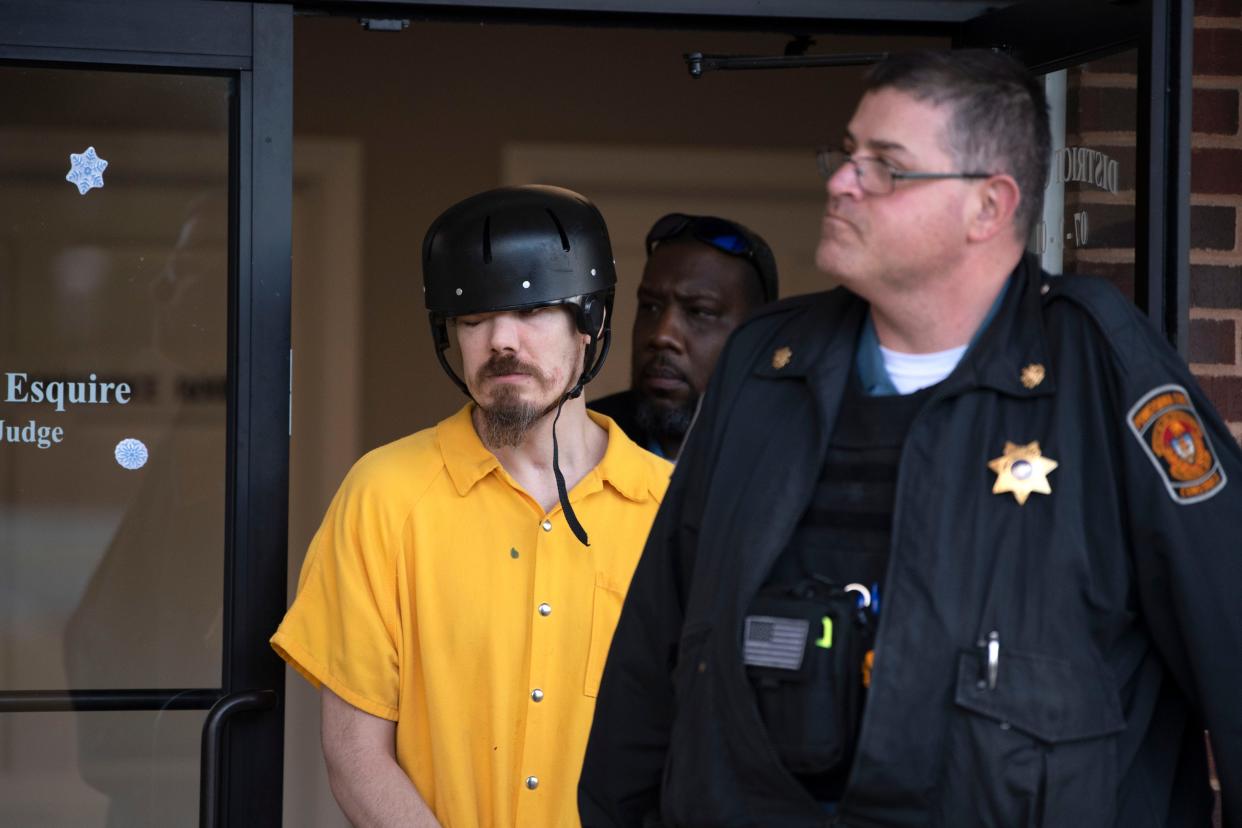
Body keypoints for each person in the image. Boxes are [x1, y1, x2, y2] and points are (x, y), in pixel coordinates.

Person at [579, 49, 1242, 828]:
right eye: (846, 155)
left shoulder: (1102, 372)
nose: (840, 182)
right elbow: (653, 662)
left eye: (886, 167)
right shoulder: (765, 364)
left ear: (988, 207)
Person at [272, 185, 672, 828]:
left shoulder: (673, 510)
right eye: (473, 318)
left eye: (535, 309)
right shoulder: (384, 495)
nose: (500, 341)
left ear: (591, 320)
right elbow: (354, 753)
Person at [589, 214, 778, 459]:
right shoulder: (580, 444)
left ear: (758, 334)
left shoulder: (794, 452)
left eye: (699, 312)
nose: (662, 335)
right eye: (650, 306)